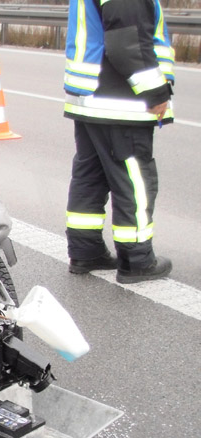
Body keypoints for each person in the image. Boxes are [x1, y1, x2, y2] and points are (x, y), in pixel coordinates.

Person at [63, 0, 174, 284]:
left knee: (90, 177)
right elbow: (127, 44)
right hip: (119, 101)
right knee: (134, 180)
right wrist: (156, 92)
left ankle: (86, 252)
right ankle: (137, 260)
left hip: (90, 97)